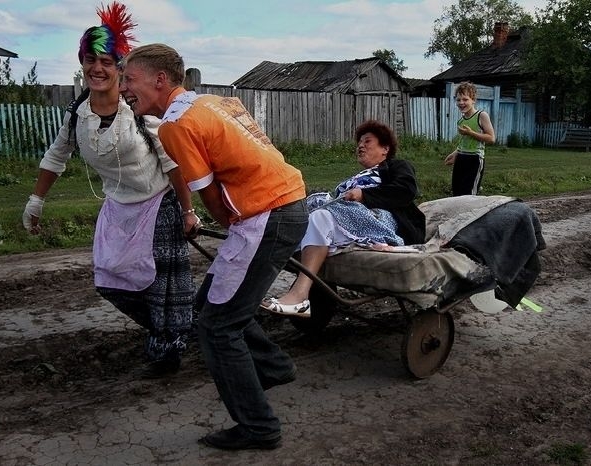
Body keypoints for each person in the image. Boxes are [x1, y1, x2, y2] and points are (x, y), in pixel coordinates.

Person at [119, 43, 308, 451]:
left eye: (129, 80)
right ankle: (273, 368)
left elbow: (209, 197)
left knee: (217, 328)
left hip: (265, 216)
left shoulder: (175, 125)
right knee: (210, 307)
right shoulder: (213, 102)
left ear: (160, 80)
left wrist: (233, 227)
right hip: (286, 203)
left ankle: (259, 428)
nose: (123, 89)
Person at [22, 2, 197, 379]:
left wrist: (187, 211)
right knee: (110, 277)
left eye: (106, 60)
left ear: (119, 67)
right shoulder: (77, 113)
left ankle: (168, 348)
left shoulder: (139, 110)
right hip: (118, 207)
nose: (97, 68)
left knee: (158, 283)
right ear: (81, 62)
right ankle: (182, 322)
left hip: (158, 205)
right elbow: (56, 156)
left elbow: (174, 165)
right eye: (90, 59)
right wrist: (36, 200)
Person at [262, 119, 426, 317]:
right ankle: (256, 289)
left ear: (385, 148)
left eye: (367, 141)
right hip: (350, 217)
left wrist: (364, 195)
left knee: (321, 218)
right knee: (296, 217)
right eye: (359, 143)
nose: (360, 146)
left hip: (382, 220)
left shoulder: (396, 166)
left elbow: (406, 190)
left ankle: (300, 295)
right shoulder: (360, 175)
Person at [444, 81, 496, 196]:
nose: (461, 103)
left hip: (475, 160)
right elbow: (465, 142)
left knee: (469, 196)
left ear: (473, 100)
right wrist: (456, 153)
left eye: (465, 99)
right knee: (457, 193)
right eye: (458, 100)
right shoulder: (461, 120)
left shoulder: (481, 115)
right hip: (461, 159)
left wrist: (470, 133)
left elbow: (491, 138)